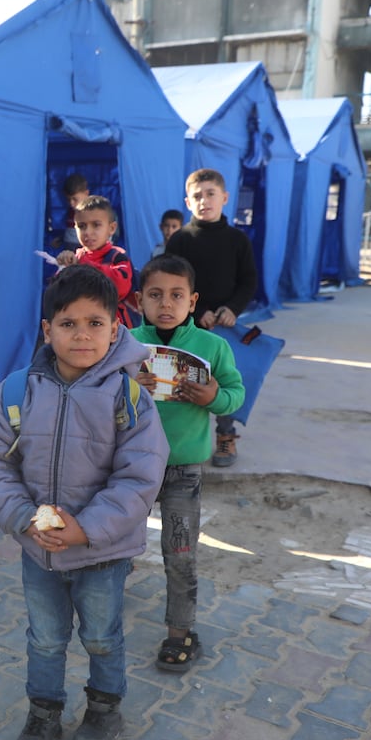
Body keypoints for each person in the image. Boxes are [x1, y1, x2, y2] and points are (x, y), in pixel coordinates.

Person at [0, 266, 169, 740]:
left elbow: (140, 477)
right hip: (39, 552)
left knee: (102, 635)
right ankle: (44, 712)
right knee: (45, 637)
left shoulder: (131, 399)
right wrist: (21, 516)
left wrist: (88, 529)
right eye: (67, 324)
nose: (82, 335)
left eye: (95, 323)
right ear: (46, 330)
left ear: (116, 328)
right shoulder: (17, 392)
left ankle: (105, 708)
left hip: (104, 553)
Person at [131, 255, 245, 672]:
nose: (166, 304)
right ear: (140, 299)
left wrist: (213, 397)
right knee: (114, 541)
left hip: (183, 471)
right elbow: (98, 394)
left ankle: (181, 633)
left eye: (177, 295)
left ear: (193, 301)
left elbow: (236, 395)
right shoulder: (126, 341)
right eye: (156, 295)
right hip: (132, 466)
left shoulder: (213, 347)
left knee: (179, 554)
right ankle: (100, 606)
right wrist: (126, 386)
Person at [164, 168, 257, 467]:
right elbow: (172, 281)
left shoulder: (238, 240)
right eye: (197, 196)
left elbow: (248, 281)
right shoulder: (179, 240)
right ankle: (174, 440)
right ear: (188, 202)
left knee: (223, 381)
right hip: (187, 325)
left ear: (225, 198)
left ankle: (225, 436)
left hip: (225, 328)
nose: (204, 200)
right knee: (183, 383)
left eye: (210, 194)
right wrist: (196, 310)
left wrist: (232, 308)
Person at [58, 196, 138, 328]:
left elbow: (118, 288)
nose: (88, 232)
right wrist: (62, 266)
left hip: (115, 331)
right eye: (82, 226)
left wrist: (84, 265)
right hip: (83, 329)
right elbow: (59, 294)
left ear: (112, 228)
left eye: (96, 225)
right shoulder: (75, 258)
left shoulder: (118, 257)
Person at [47, 172, 89, 257]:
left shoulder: (92, 212)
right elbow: (70, 230)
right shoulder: (71, 211)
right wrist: (61, 239)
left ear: (86, 193)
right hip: (69, 248)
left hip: (83, 249)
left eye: (75, 199)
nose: (71, 203)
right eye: (68, 200)